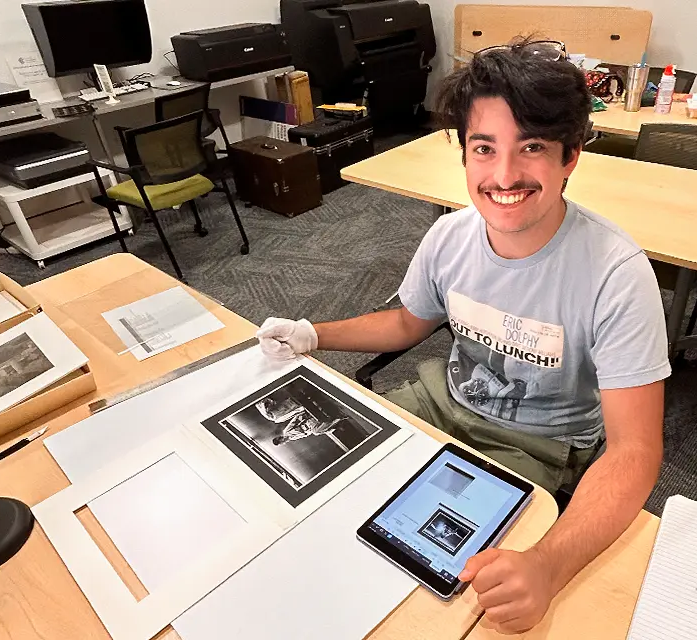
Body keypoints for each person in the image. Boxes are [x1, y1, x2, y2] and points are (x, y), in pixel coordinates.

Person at [256, 38, 669, 633]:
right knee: (315, 491)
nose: (504, 175)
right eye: (485, 148)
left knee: (436, 595)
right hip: (435, 405)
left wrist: (548, 567)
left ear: (570, 155)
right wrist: (311, 334)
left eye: (531, 148)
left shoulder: (616, 274)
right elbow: (406, 321)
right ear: (465, 154)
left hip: (534, 447)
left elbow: (635, 450)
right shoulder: (449, 237)